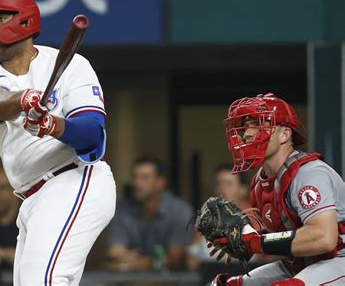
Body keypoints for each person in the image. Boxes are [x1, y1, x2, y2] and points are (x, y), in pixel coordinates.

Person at [0, 0, 116, 285]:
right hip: (31, 196)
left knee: (41, 281)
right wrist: (22, 100)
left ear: (25, 21)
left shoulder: (72, 66)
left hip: (75, 180)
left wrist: (53, 125)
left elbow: (94, 139)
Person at [210, 93, 345, 285]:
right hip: (306, 262)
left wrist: (255, 243)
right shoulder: (260, 183)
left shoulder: (308, 174)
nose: (247, 133)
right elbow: (285, 238)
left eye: (258, 124)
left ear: (284, 134)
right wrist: (243, 240)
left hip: (339, 258)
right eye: (246, 126)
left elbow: (324, 238)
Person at [107, 156, 194, 271]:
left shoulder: (179, 210)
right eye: (135, 176)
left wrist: (136, 263)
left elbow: (175, 259)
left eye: (144, 177)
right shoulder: (122, 210)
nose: (137, 182)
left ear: (160, 182)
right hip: (131, 281)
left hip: (171, 281)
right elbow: (115, 253)